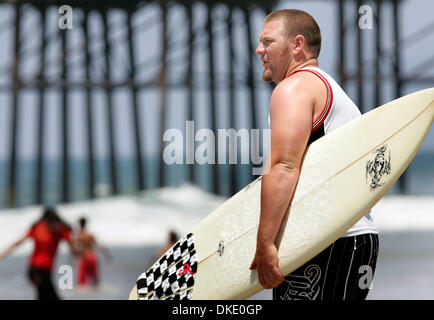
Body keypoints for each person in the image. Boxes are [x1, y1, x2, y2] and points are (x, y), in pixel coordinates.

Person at [249, 9, 379, 300]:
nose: (259, 50)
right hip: (357, 239)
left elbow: (283, 165)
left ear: (296, 45)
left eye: (267, 41)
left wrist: (265, 242)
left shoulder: (294, 88)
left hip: (326, 241)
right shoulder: (331, 89)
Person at [0, 205, 78, 300]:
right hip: (44, 271)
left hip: (33, 270)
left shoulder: (37, 227)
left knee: (42, 295)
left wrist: (3, 254)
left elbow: (18, 242)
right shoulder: (59, 229)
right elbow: (73, 247)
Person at [74, 216, 111, 287]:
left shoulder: (78, 236)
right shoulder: (90, 235)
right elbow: (98, 246)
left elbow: (76, 249)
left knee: (82, 283)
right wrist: (107, 254)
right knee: (95, 280)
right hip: (92, 257)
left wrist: (72, 260)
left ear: (79, 224)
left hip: (84, 258)